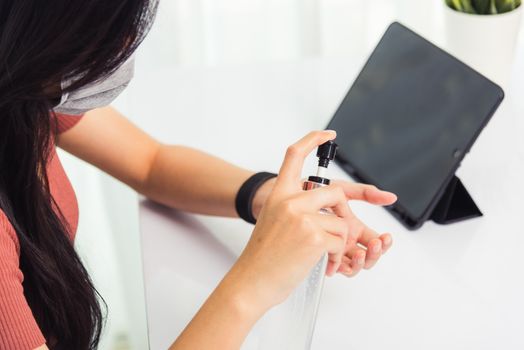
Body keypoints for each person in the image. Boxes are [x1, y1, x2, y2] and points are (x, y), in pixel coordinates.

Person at [0, 1, 397, 349]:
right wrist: (253, 283)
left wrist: (270, 197)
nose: (124, 49)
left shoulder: (25, 93)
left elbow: (149, 163)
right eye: (111, 32)